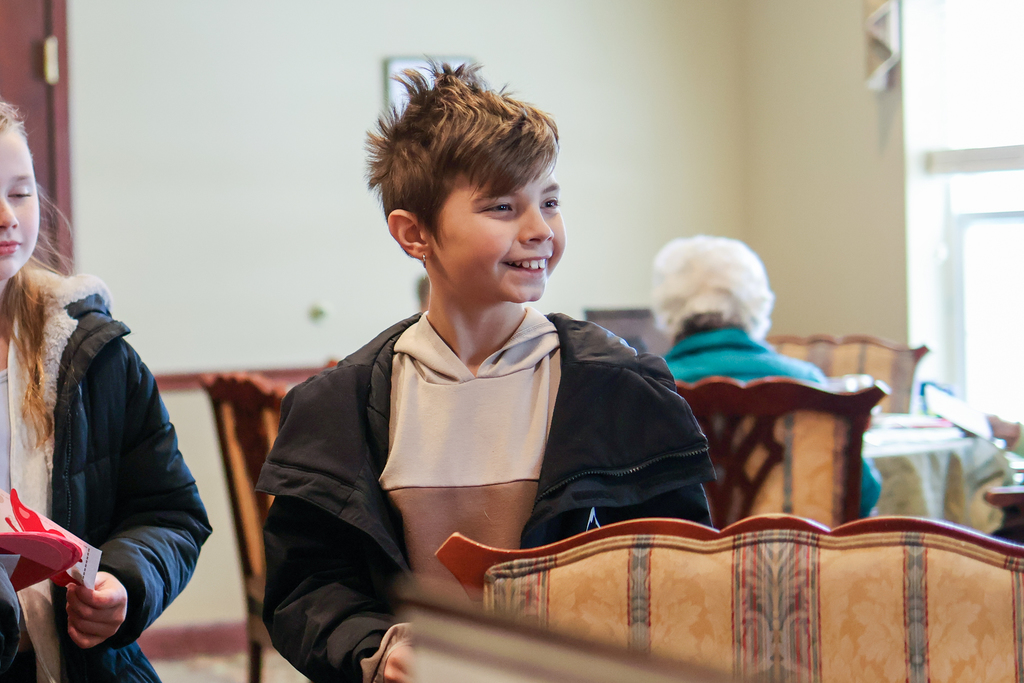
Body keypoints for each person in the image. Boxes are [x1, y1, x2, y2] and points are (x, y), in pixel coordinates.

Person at [258, 63, 715, 683]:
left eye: (549, 202)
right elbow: (308, 588)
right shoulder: (340, 405)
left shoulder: (619, 389)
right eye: (502, 206)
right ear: (414, 233)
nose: (539, 230)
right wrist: (380, 647)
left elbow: (682, 578)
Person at [0, 100, 211, 681]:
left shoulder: (93, 353)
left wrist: (124, 582)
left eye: (20, 192)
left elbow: (169, 512)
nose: (7, 216)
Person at [651, 235, 881, 517]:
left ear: (667, 311)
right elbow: (861, 495)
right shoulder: (806, 382)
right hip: (802, 559)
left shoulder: (646, 387)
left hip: (678, 561)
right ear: (757, 305)